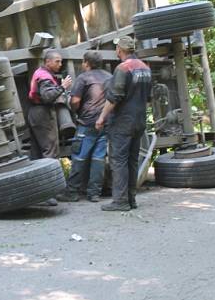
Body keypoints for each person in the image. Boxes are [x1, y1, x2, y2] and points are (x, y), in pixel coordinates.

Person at [95, 37, 152, 211]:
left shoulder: (122, 68)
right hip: (139, 121)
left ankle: (120, 201)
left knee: (118, 161)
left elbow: (114, 97)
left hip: (123, 122)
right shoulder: (145, 68)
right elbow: (148, 97)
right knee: (132, 161)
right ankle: (131, 199)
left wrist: (101, 117)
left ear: (119, 49)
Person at [56, 50, 111, 202]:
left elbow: (74, 101)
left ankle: (72, 192)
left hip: (87, 123)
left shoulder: (84, 78)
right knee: (98, 158)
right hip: (105, 123)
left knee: (79, 156)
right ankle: (94, 193)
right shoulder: (110, 77)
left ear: (86, 63)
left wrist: (75, 112)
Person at [28, 48, 72, 206]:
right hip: (43, 113)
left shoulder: (40, 73)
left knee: (38, 153)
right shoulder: (45, 77)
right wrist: (62, 87)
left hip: (35, 113)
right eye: (57, 61)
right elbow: (47, 97)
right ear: (47, 61)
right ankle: (50, 193)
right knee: (50, 152)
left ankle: (38, 193)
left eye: (61, 61)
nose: (60, 64)